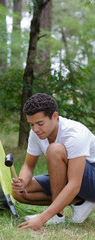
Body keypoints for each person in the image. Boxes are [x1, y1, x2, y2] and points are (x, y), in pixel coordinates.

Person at [12, 93, 95, 230]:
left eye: (40, 123)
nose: (35, 129)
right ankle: (80, 202)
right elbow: (28, 165)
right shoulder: (36, 133)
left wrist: (42, 218)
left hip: (90, 179)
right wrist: (22, 182)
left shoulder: (75, 134)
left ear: (55, 116)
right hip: (74, 179)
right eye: (31, 124)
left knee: (55, 150)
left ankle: (57, 216)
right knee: (19, 193)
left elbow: (74, 184)